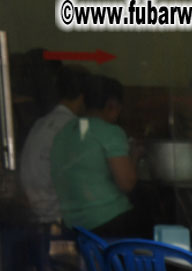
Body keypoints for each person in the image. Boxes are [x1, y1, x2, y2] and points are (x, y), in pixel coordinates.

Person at [49, 75, 143, 238]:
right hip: (107, 222)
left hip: (72, 224)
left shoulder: (64, 132)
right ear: (112, 105)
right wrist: (134, 156)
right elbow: (127, 183)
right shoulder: (110, 132)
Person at [19, 64, 88, 225]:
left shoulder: (41, 123)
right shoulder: (73, 127)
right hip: (56, 217)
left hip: (35, 213)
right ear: (84, 96)